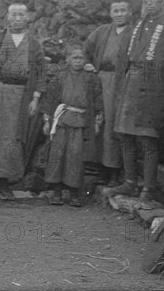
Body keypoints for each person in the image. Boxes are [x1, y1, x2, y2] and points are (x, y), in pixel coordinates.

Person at [110, 0, 164, 203]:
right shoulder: (140, 24)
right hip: (132, 82)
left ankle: (148, 188)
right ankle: (130, 182)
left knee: (148, 138)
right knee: (125, 135)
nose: (149, 1)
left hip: (153, 87)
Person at [0, 3, 47, 200]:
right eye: (14, 14)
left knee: (12, 137)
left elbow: (40, 72)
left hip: (20, 96)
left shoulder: (34, 44)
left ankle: (4, 183)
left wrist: (36, 98)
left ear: (28, 17)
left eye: (22, 14)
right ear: (8, 17)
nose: (18, 18)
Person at [41, 44, 103, 207]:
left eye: (81, 58)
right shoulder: (60, 76)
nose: (78, 61)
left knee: (75, 156)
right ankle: (56, 191)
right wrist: (47, 120)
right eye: (74, 58)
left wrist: (97, 121)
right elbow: (50, 98)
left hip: (81, 121)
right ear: (68, 59)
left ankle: (75, 192)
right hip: (62, 120)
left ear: (85, 60)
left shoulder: (91, 78)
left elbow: (98, 100)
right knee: (57, 154)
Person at [83, 0, 133, 186]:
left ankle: (114, 171)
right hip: (99, 80)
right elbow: (85, 49)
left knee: (113, 125)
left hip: (120, 84)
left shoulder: (134, 33)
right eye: (116, 11)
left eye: (123, 10)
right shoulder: (102, 31)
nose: (119, 14)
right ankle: (98, 168)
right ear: (110, 13)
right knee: (98, 122)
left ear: (129, 12)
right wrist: (88, 64)